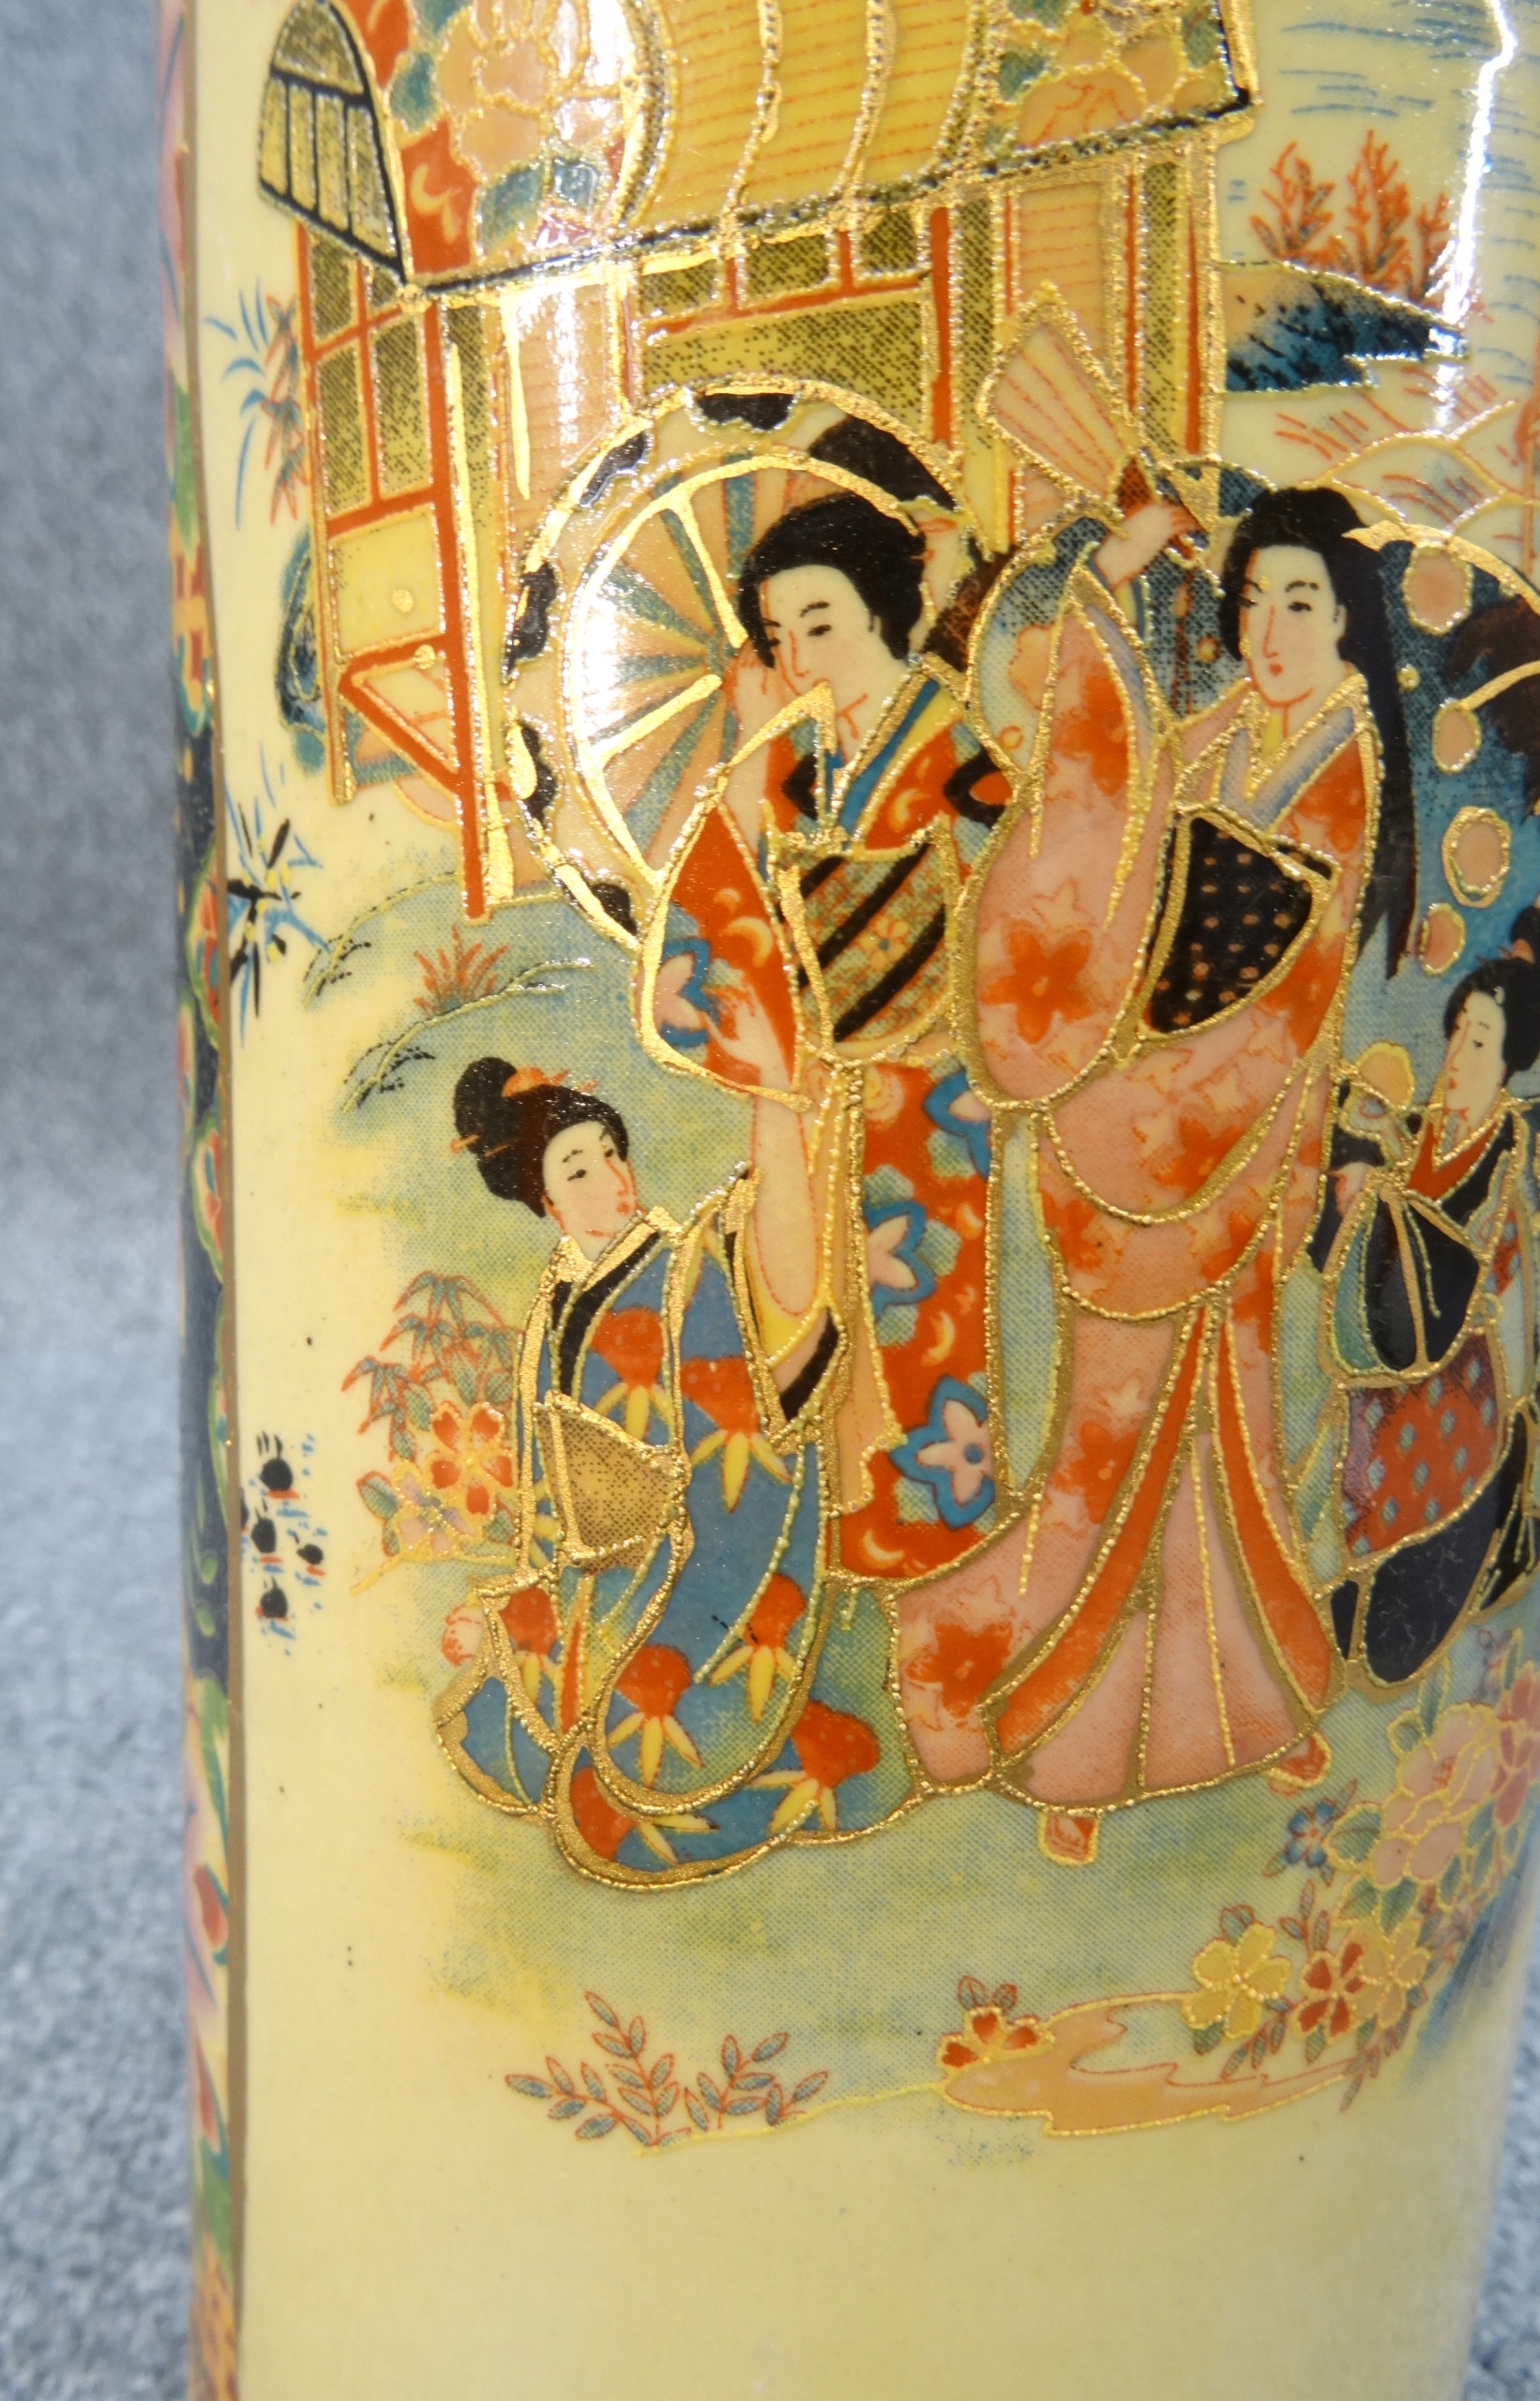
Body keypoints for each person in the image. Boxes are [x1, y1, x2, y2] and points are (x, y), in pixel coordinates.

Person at [895, 484, 1417, 1853]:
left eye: (1299, 602)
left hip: (1219, 1153)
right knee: (1107, 1440)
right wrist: (1113, 571)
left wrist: (1121, 1095)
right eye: (1251, 602)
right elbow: (1098, 798)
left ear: (1350, 623)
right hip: (1138, 1142)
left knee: (1222, 1441)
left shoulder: (1340, 772)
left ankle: (1207, 1715)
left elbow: (1276, 1001)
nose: (1268, 631)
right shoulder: (1232, 730)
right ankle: (1106, 1716)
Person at [642, 476, 1013, 1592]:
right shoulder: (805, 759)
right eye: (779, 634)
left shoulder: (960, 749)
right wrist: (756, 750)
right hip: (833, 1093)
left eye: (821, 621)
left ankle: (944, 1542)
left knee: (929, 1312)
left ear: (883, 608)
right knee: (835, 1314)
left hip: (940, 1095)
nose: (800, 655)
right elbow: (721, 894)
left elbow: (1013, 909)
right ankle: (851, 1535)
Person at [433, 1016, 908, 1885]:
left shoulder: (690, 1273)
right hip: (594, 1584)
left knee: (627, 1772)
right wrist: (509, 1614)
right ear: (543, 1200)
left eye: (613, 1153)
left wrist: (777, 1107)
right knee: (504, 1735)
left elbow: (761, 1388)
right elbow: (547, 1510)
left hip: (698, 1564)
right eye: (579, 1168)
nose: (614, 1179)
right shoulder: (552, 1310)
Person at [1311, 911, 1540, 1684]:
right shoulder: (1428, 1133)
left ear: (1510, 1060)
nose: (1454, 1057)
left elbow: (1464, 1272)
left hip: (1465, 1387)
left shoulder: (1509, 1159)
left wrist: (1378, 1199)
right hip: (1396, 1376)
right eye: (1456, 1034)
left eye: (1478, 1042)